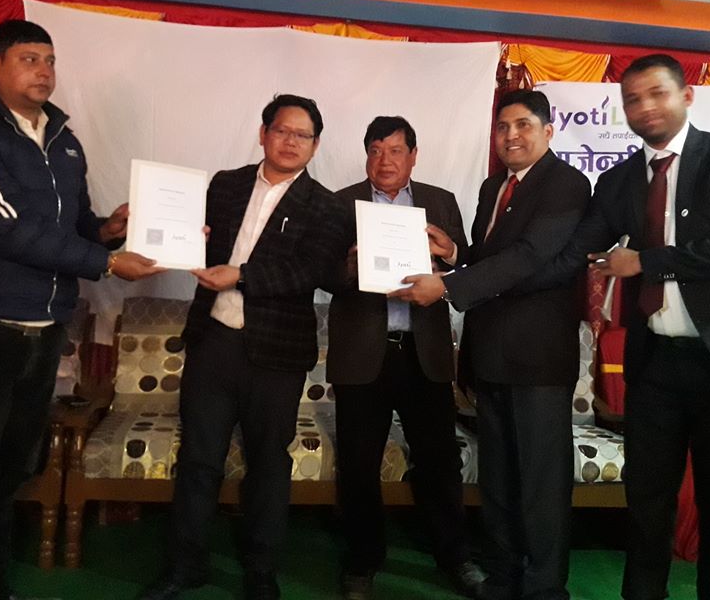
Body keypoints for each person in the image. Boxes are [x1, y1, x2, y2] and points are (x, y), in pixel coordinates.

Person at [525, 54, 710, 600]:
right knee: (646, 503)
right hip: (655, 366)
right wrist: (475, 272)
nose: (644, 107)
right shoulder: (618, 179)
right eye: (632, 99)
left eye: (656, 94)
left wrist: (645, 261)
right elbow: (575, 251)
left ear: (686, 96)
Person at [0, 19, 164, 600]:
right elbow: (5, 226)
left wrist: (108, 231)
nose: (44, 71)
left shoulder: (64, 140)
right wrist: (106, 263)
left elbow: (74, 225)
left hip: (46, 329)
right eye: (30, 59)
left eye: (51, 60)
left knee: (17, 466)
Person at [142, 94, 348, 600]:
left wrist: (241, 276)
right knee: (199, 458)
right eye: (282, 130)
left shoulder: (327, 206)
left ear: (315, 145)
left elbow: (309, 271)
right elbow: (201, 240)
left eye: (302, 135)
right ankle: (184, 565)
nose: (291, 142)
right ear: (263, 133)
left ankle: (260, 569)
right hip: (214, 340)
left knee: (268, 462)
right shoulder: (226, 184)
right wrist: (177, 236)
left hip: (278, 353)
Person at [394, 89, 591, 600]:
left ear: (548, 131)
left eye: (523, 125)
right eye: (503, 127)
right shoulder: (492, 187)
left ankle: (544, 589)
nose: (511, 136)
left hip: (538, 358)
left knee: (541, 483)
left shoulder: (566, 183)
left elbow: (529, 256)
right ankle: (503, 578)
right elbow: (491, 258)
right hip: (490, 353)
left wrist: (448, 286)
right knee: (498, 479)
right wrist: (455, 253)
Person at [326, 116, 489, 600]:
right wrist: (347, 266)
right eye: (376, 151)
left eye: (396, 150)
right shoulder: (340, 204)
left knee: (439, 462)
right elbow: (322, 273)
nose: (385, 161)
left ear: (413, 156)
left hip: (425, 352)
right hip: (363, 354)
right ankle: (362, 561)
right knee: (359, 465)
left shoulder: (440, 201)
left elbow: (464, 266)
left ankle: (454, 557)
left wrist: (453, 253)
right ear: (366, 156)